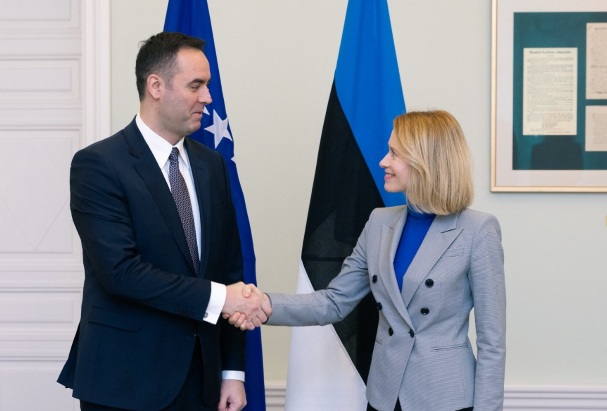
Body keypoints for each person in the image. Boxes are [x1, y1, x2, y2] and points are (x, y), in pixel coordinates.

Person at [229, 110, 506, 411]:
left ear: (425, 161)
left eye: (394, 153)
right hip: (384, 395)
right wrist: (264, 304)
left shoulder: (478, 230)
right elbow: (334, 302)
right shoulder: (379, 222)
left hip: (444, 398)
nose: (383, 161)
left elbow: (492, 341)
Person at [57, 32, 270, 411]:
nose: (207, 98)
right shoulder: (99, 165)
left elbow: (229, 269)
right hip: (125, 380)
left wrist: (232, 372)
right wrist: (221, 298)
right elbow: (120, 272)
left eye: (207, 86)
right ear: (155, 86)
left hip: (202, 381)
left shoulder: (212, 165)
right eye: (195, 85)